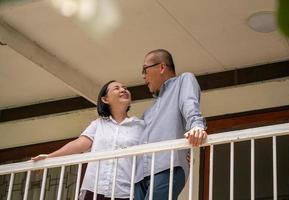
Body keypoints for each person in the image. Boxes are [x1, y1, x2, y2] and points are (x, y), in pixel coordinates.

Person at [32, 80, 145, 200]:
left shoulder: (140, 126)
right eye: (116, 88)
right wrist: (49, 157)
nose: (123, 90)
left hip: (125, 193)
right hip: (94, 190)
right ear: (105, 99)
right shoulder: (98, 124)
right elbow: (79, 144)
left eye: (125, 88)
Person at [134, 49, 207, 200]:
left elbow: (189, 105)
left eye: (145, 70)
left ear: (161, 67)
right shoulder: (148, 111)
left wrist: (197, 126)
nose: (143, 76)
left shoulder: (183, 81)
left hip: (167, 166)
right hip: (140, 175)